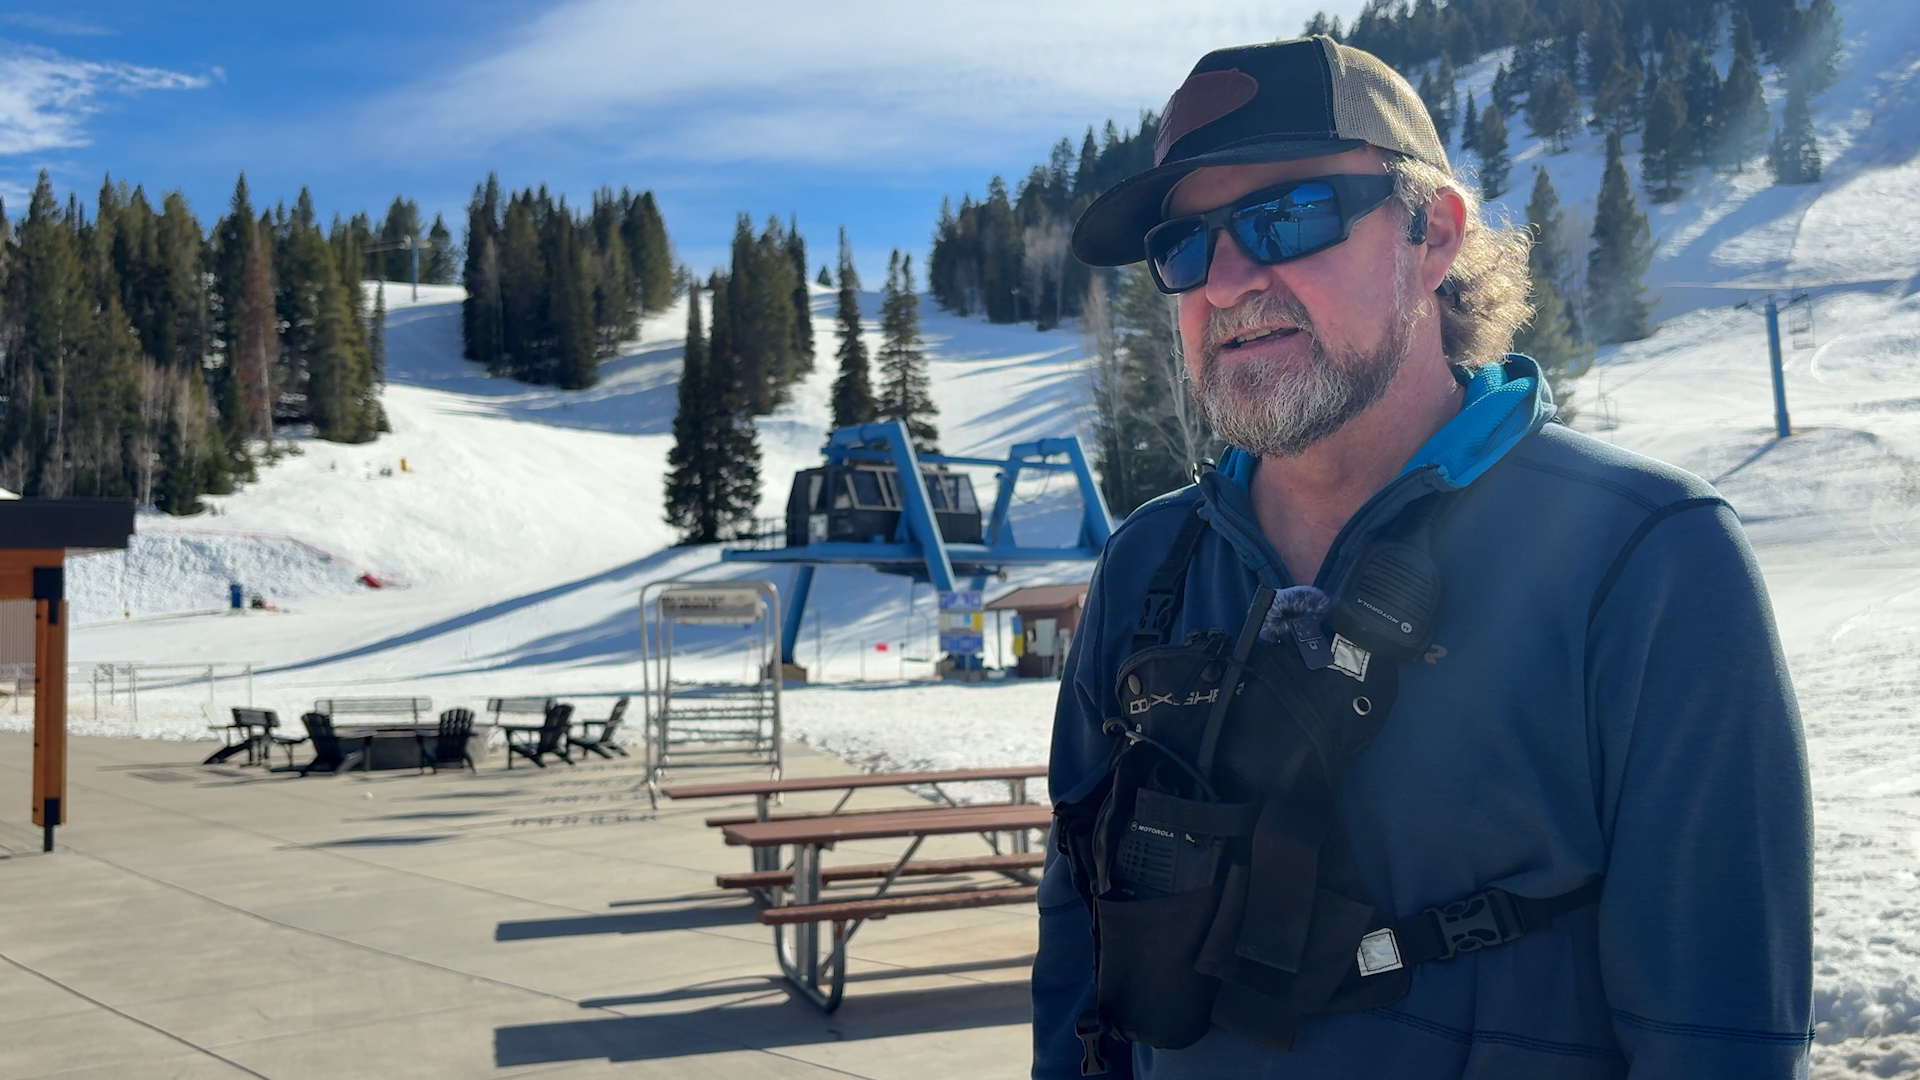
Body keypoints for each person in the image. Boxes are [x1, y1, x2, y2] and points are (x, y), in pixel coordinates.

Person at [1033, 36, 1812, 1079]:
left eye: (1289, 216)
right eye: (1183, 247)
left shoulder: (1644, 562)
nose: (1224, 282)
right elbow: (1078, 969)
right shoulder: (1148, 567)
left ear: (1433, 235)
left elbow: (1720, 1043)